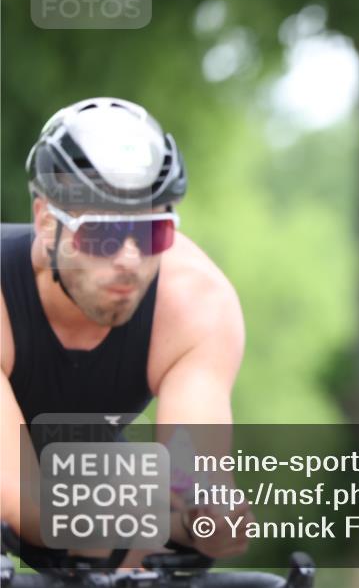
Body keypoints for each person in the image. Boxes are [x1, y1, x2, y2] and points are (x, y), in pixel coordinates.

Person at [0, 98, 251, 569]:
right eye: (104, 235)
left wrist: (206, 514)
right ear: (46, 221)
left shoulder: (196, 304)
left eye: (152, 233)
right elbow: (24, 505)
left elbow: (193, 477)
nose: (130, 259)